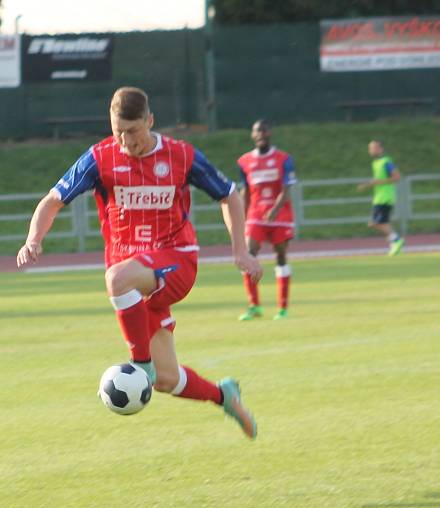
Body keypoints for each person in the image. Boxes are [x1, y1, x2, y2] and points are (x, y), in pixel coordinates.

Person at [16, 87, 262, 439]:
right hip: (138, 281)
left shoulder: (180, 155)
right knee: (166, 379)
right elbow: (53, 200)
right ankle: (225, 396)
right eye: (118, 131)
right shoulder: (100, 158)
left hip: (176, 260)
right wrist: (33, 239)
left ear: (150, 121)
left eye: (133, 131)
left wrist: (240, 250)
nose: (126, 140)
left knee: (117, 280)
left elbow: (229, 195)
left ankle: (139, 364)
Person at [236, 119, 297, 321]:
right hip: (255, 214)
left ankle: (283, 307)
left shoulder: (284, 159)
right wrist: (241, 215)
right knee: (249, 254)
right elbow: (245, 191)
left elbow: (287, 188)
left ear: (270, 132)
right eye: (256, 131)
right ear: (253, 135)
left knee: (280, 256)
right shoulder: (244, 161)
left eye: (263, 130)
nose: (260, 134)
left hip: (280, 215)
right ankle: (254, 305)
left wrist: (275, 209)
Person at [357, 140, 405, 256]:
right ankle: (395, 243)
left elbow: (397, 177)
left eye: (374, 148)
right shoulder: (375, 163)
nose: (371, 150)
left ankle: (396, 240)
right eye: (370, 148)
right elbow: (377, 180)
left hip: (385, 197)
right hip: (379, 198)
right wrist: (367, 184)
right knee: (378, 223)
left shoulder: (386, 162)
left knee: (375, 223)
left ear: (380, 149)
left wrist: (380, 182)